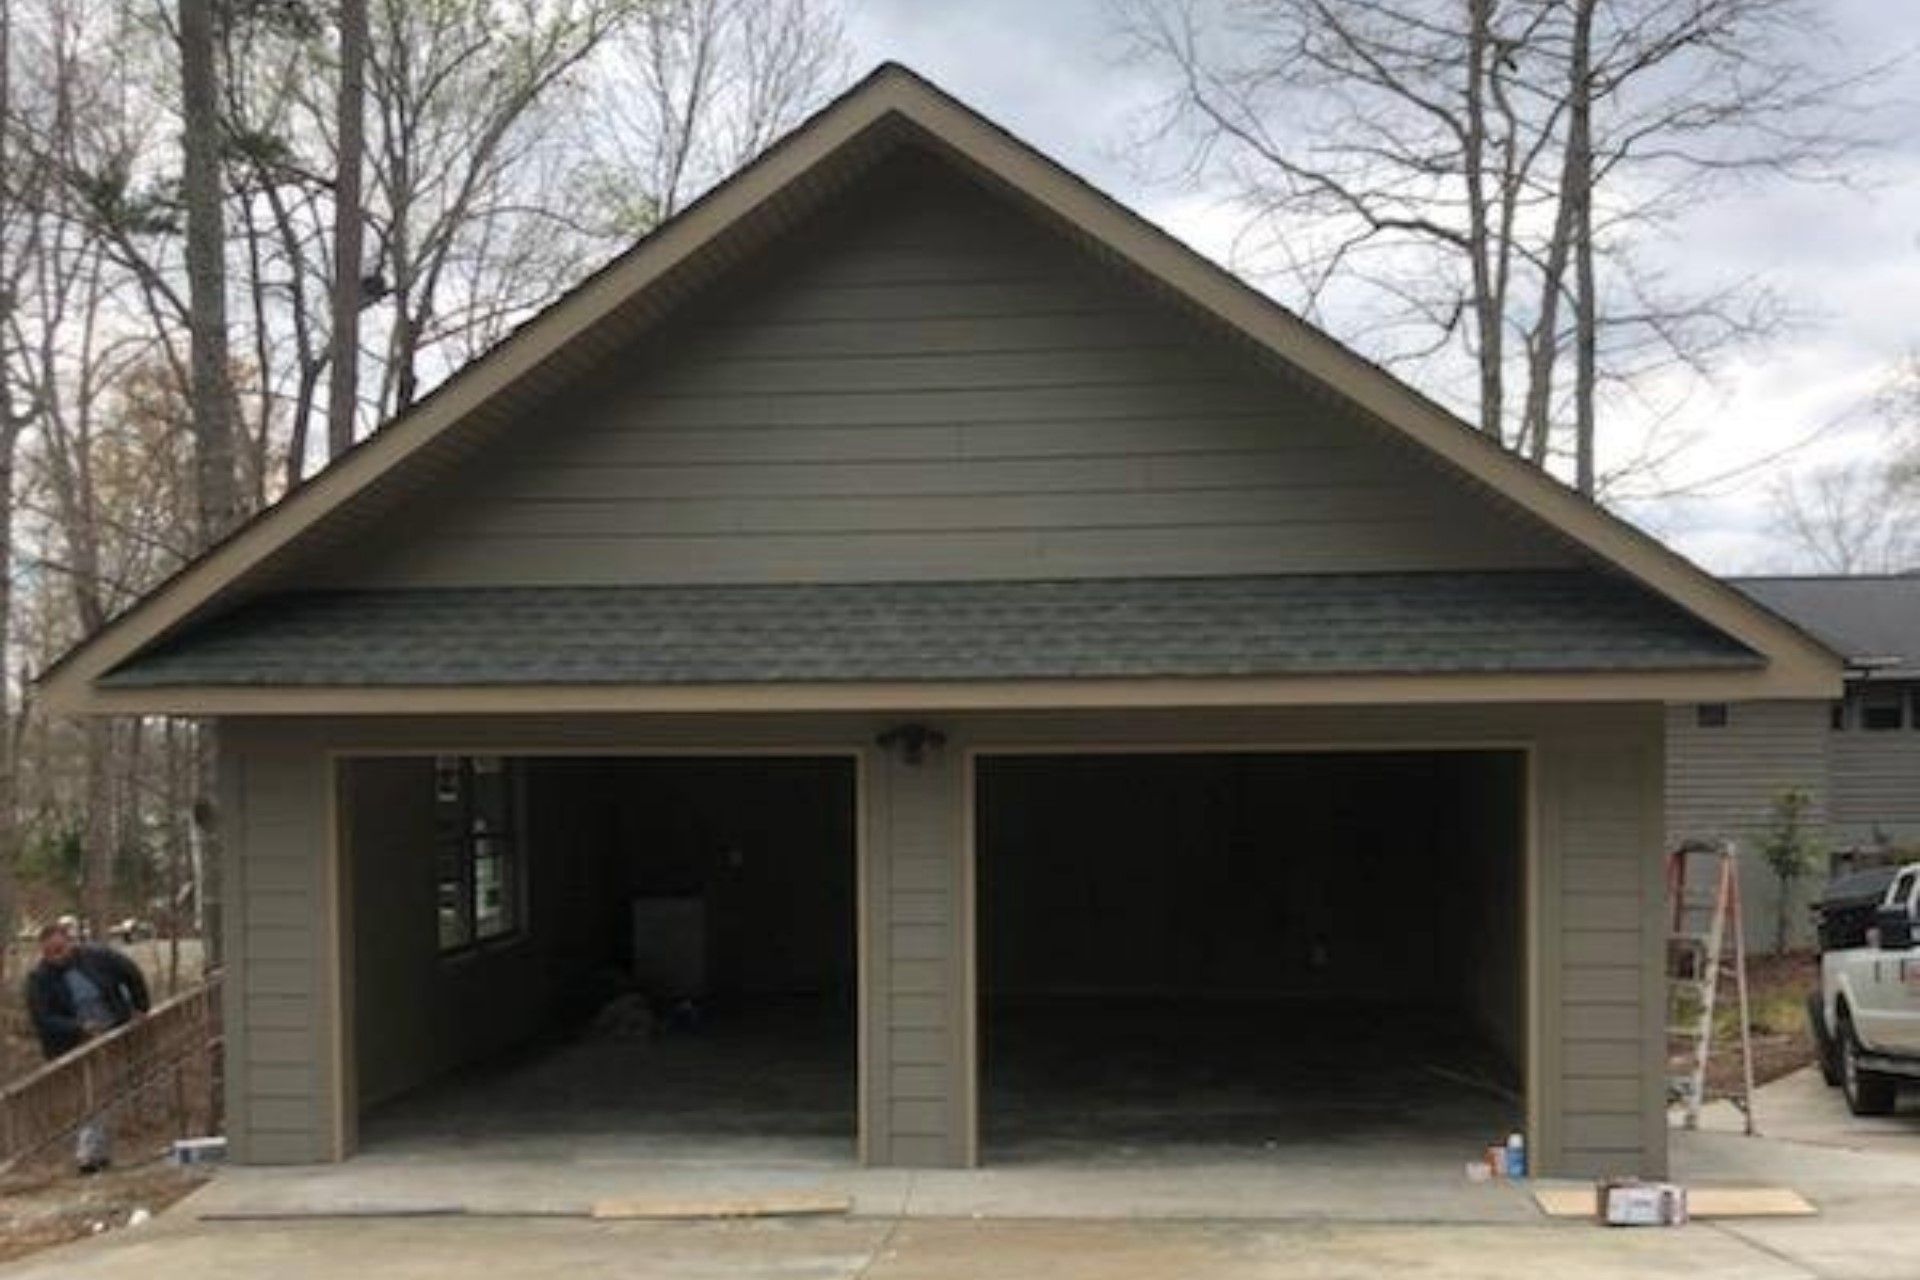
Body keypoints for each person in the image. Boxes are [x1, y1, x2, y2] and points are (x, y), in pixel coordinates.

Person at [23, 923, 151, 1174]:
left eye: (60, 949)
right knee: (81, 1100)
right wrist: (79, 1027)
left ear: (70, 944)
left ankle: (93, 1154)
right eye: (50, 953)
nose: (56, 957)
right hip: (70, 1045)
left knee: (104, 1093)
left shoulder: (98, 957)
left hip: (110, 1033)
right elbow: (44, 1018)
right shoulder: (38, 979)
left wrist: (140, 1007)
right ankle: (90, 1153)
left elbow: (131, 973)